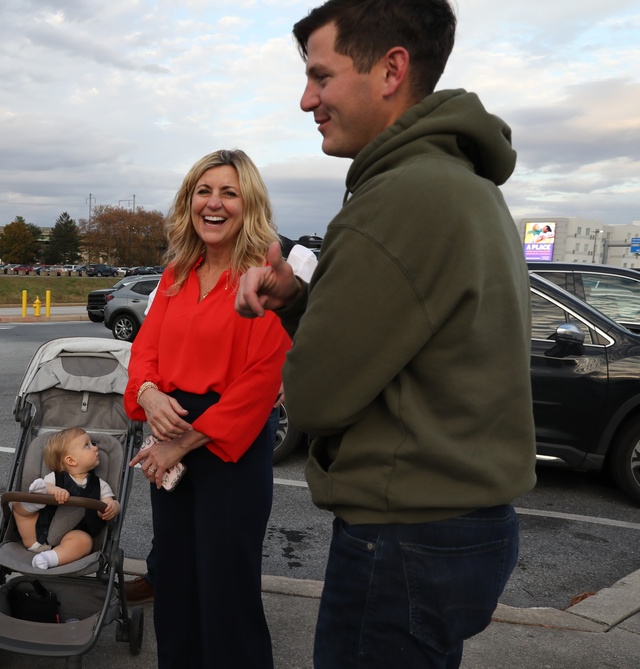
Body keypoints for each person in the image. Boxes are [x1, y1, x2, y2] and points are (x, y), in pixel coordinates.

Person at [235, 2, 536, 667]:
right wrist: (301, 300)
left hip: (403, 540)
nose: (306, 98)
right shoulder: (464, 186)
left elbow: (315, 396)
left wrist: (297, 322)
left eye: (321, 75)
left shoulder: (397, 199)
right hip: (458, 529)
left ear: (392, 68)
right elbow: (408, 346)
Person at [125, 148, 291, 668]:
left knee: (226, 588)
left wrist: (181, 441)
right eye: (204, 191)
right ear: (188, 200)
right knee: (174, 578)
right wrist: (149, 395)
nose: (213, 204)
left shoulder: (262, 274)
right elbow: (144, 351)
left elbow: (263, 376)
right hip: (169, 429)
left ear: (249, 204)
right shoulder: (176, 272)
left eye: (228, 193)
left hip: (227, 446)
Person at [13, 427, 121, 570]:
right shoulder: (55, 478)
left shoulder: (100, 485)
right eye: (87, 445)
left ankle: (49, 558)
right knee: (17, 507)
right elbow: (48, 485)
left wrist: (112, 507)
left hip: (70, 538)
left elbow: (108, 501)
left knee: (84, 541)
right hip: (36, 534)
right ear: (71, 460)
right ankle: (35, 501)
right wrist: (53, 490)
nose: (96, 448)